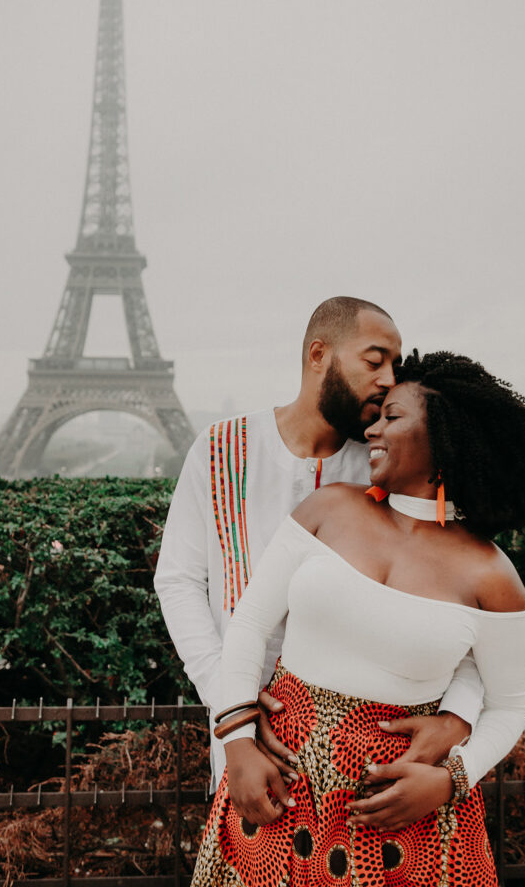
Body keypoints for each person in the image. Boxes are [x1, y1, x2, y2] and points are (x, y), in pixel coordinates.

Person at [192, 350, 525, 887]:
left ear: (445, 440)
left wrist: (449, 782)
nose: (372, 430)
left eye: (393, 416)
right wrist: (238, 744)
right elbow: (249, 623)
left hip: (401, 810)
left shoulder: (492, 576)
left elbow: (508, 708)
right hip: (280, 781)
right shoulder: (329, 508)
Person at [155, 301, 484, 790]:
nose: (389, 379)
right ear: (318, 354)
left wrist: (458, 715)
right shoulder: (220, 448)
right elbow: (179, 581)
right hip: (242, 745)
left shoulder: (393, 466)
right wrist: (229, 699)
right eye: (375, 361)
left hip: (370, 754)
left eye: (395, 365)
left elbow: (467, 605)